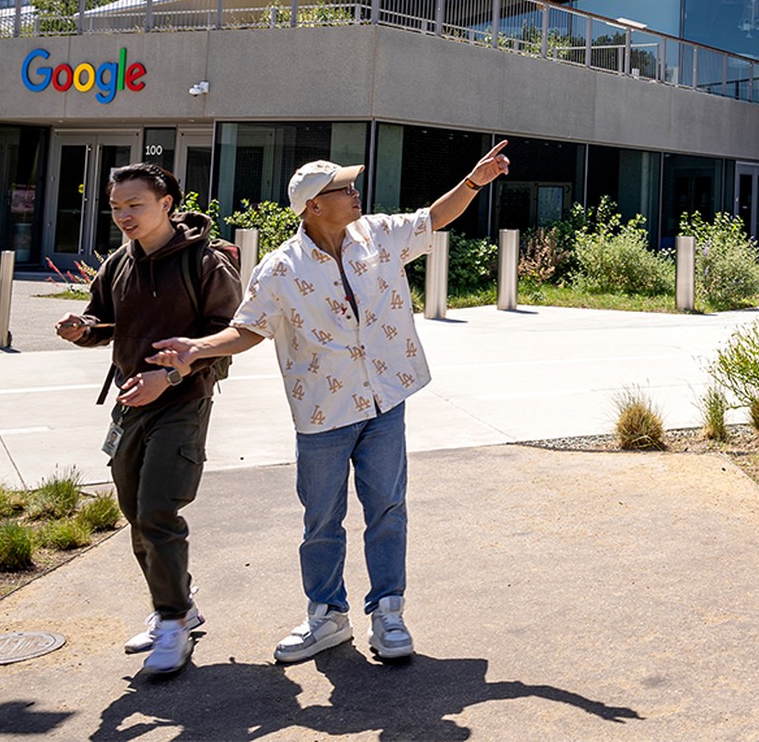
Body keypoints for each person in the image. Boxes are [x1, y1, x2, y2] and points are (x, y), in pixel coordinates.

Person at [150, 141, 510, 663]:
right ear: (313, 205)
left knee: (387, 509)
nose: (356, 192)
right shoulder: (279, 269)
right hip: (324, 411)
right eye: (345, 188)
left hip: (386, 398)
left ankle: (388, 612)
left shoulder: (379, 235)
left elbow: (434, 217)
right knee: (321, 518)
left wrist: (475, 181)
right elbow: (248, 329)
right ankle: (326, 615)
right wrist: (197, 350)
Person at [55, 163, 241, 675]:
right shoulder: (118, 262)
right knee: (137, 512)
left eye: (134, 205)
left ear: (167, 203)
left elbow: (229, 337)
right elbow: (105, 322)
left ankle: (174, 621)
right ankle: (177, 605)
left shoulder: (206, 262)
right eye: (116, 207)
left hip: (183, 400)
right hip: (129, 402)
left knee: (158, 509)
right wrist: (82, 329)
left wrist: (172, 376)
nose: (123, 216)